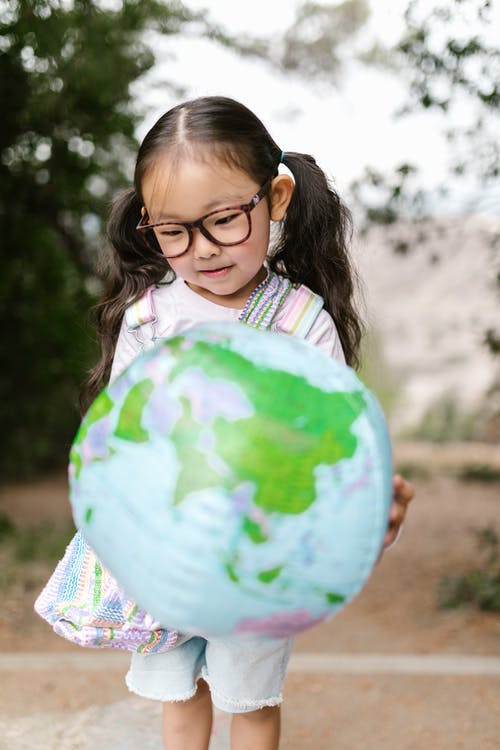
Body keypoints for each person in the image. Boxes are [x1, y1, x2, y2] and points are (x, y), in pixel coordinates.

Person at [81, 95, 414, 750]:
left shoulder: (300, 321)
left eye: (224, 221)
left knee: (251, 701)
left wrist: (368, 504)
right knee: (179, 693)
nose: (201, 250)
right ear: (148, 223)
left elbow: (335, 440)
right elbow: (120, 432)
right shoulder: (148, 319)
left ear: (277, 196)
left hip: (263, 554)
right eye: (173, 231)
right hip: (168, 552)